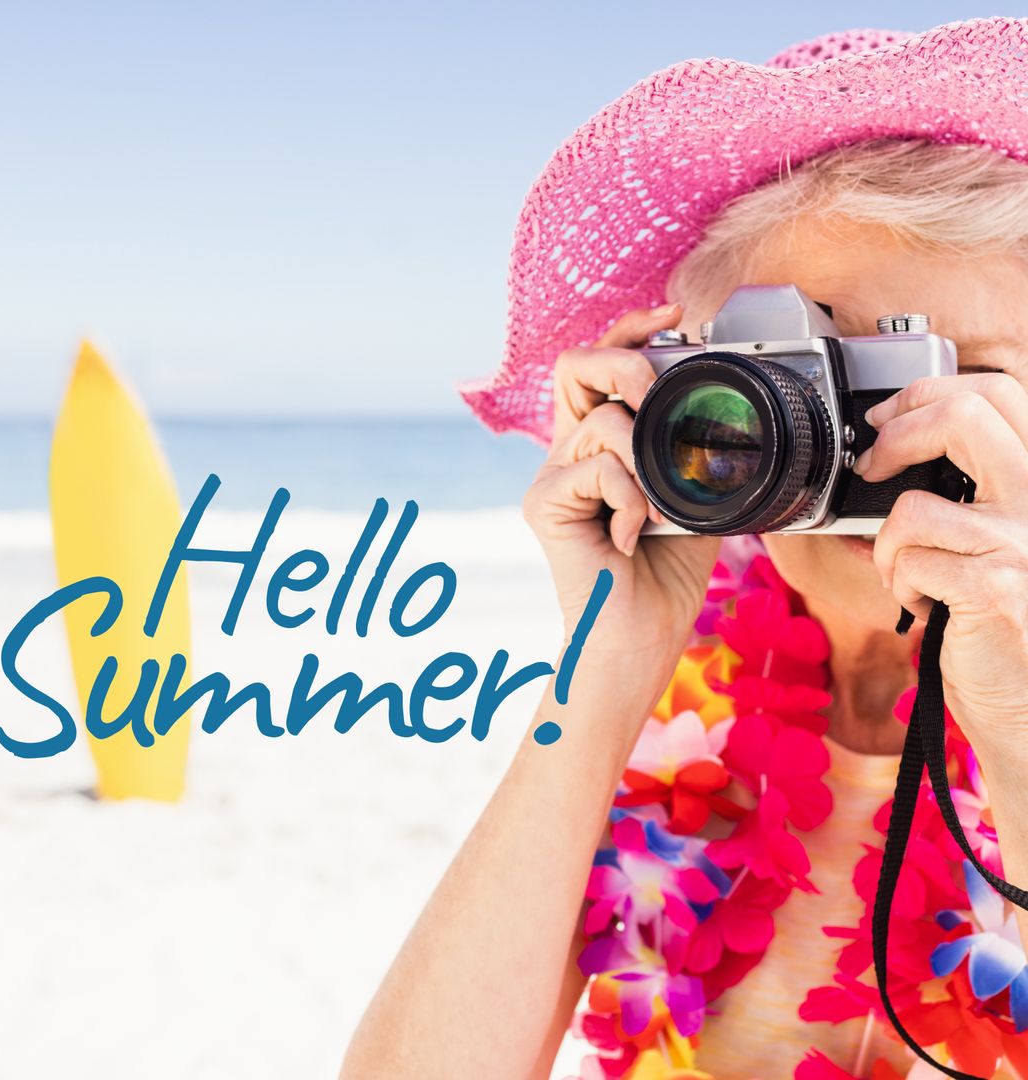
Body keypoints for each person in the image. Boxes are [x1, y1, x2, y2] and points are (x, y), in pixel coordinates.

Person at [342, 20, 1028, 1079]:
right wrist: (604, 670)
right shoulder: (683, 707)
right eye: (814, 384)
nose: (868, 447)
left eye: (946, 388)